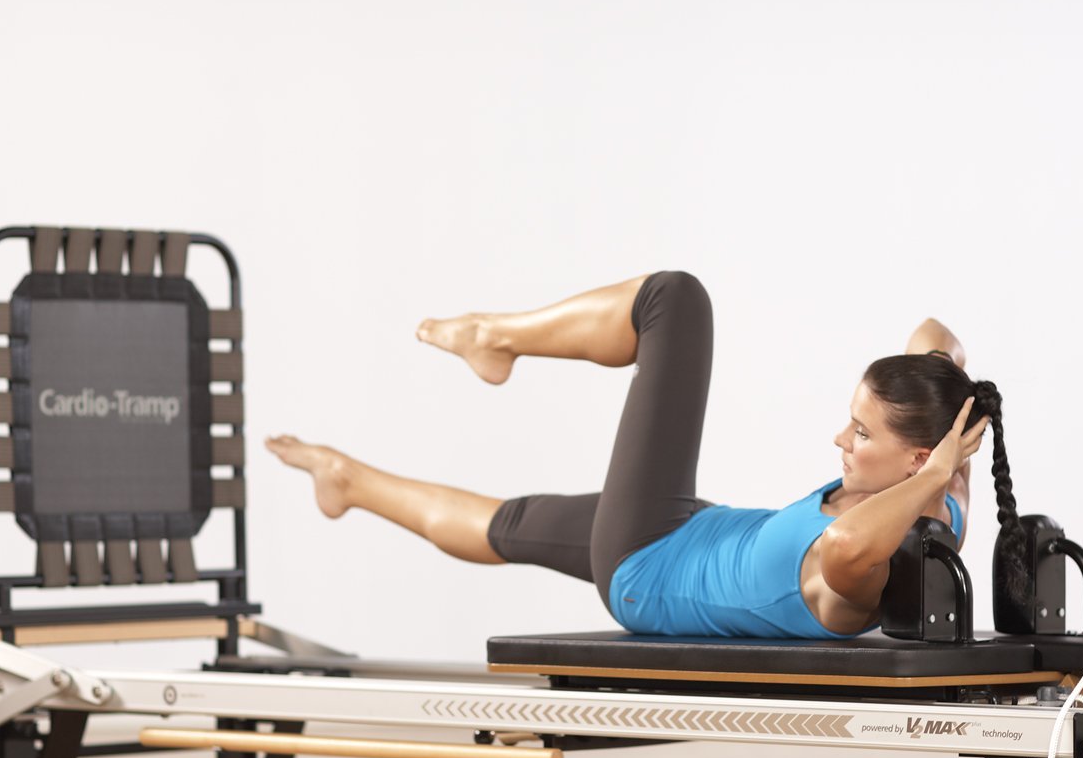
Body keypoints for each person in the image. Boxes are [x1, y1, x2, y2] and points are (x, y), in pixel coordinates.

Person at [266, 271, 1020, 639]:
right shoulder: (942, 483)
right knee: (513, 524)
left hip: (644, 566)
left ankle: (495, 337)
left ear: (916, 457)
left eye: (860, 434)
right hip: (690, 530)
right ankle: (348, 480)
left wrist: (932, 468)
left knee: (674, 302)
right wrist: (957, 409)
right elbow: (933, 333)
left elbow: (853, 536)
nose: (838, 441)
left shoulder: (862, 568)